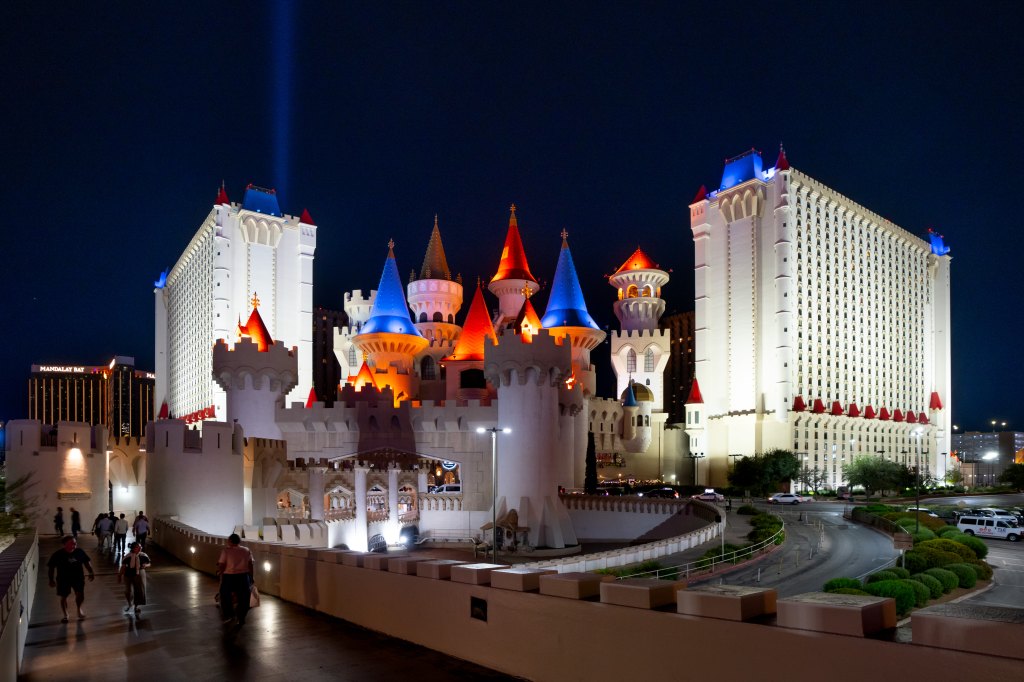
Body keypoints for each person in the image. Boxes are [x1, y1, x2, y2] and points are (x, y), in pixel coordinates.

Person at [47, 535, 95, 623]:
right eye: (72, 543)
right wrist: (51, 579)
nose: (74, 545)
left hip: (78, 577)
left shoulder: (79, 552)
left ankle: (79, 609)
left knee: (80, 594)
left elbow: (86, 562)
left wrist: (91, 572)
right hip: (63, 579)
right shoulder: (58, 554)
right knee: (63, 597)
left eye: (75, 543)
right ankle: (65, 614)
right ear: (65, 544)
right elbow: (51, 567)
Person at [216, 533, 254, 626]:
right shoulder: (246, 550)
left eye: (228, 540)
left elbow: (222, 564)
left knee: (225, 596)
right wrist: (251, 577)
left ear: (231, 541)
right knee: (244, 598)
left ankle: (230, 615)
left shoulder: (226, 551)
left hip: (229, 576)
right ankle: (241, 617)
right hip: (243, 576)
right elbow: (250, 564)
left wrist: (221, 575)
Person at [117, 542, 152, 616]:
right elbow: (123, 567)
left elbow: (149, 563)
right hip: (128, 575)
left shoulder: (143, 555)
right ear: (133, 548)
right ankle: (130, 604)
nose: (140, 548)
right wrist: (119, 575)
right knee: (128, 591)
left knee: (139, 590)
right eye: (138, 547)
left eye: (140, 547)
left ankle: (136, 606)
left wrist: (146, 565)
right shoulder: (128, 556)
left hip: (139, 574)